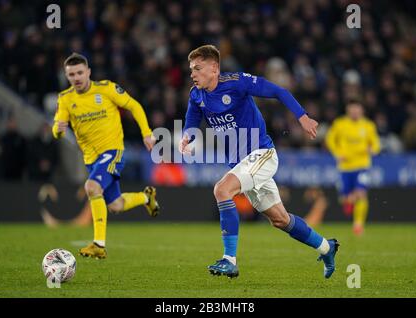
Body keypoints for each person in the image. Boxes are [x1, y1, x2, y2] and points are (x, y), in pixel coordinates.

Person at [179, 45, 339, 279]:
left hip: (262, 154)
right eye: (191, 69)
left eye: (197, 68)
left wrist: (302, 117)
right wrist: (187, 135)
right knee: (280, 220)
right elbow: (193, 115)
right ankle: (327, 247)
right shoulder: (197, 94)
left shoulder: (237, 82)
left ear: (214, 68)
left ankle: (229, 260)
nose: (192, 73)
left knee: (222, 190)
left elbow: (278, 91)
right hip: (241, 163)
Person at [52, 53, 160, 259]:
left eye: (80, 72)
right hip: (91, 160)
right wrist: (58, 128)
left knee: (91, 187)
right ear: (67, 76)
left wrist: (147, 133)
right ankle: (146, 197)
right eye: (71, 74)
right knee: (116, 205)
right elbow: (57, 131)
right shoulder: (65, 99)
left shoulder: (107, 89)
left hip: (113, 151)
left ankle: (98, 245)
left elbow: (134, 106)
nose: (76, 78)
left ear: (88, 72)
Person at [325, 100, 381, 235]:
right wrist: (337, 153)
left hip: (362, 165)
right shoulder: (340, 124)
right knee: (345, 198)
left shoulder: (368, 125)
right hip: (345, 167)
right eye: (352, 109)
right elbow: (330, 139)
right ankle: (349, 200)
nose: (355, 112)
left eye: (357, 109)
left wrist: (373, 149)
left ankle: (358, 225)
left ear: (362, 111)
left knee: (361, 193)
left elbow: (376, 144)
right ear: (348, 110)